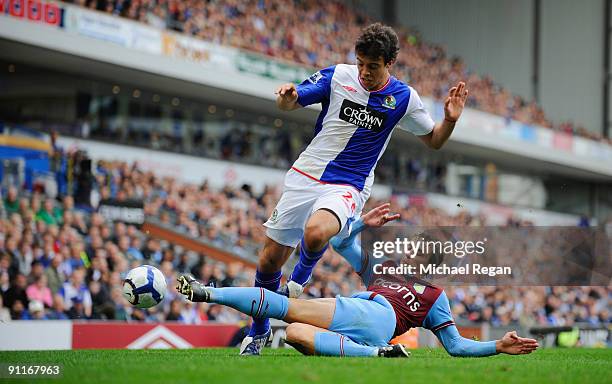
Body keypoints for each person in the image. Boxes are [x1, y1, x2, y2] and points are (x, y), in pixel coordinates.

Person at [243, 22, 469, 355]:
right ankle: (258, 331)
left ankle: (297, 284)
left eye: (373, 66)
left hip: (349, 184)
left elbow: (434, 141)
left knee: (318, 233)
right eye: (360, 63)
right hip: (306, 175)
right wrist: (286, 98)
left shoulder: (404, 98)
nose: (364, 71)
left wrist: (449, 120)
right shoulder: (337, 77)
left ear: (389, 64)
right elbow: (291, 102)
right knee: (268, 263)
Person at [175, 204, 538, 357]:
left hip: (377, 314)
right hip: (371, 329)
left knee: (290, 309)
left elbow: (456, 346)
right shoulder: (384, 267)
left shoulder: (434, 294)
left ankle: (208, 292)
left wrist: (496, 346)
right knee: (297, 335)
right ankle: (378, 354)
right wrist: (362, 223)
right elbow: (339, 241)